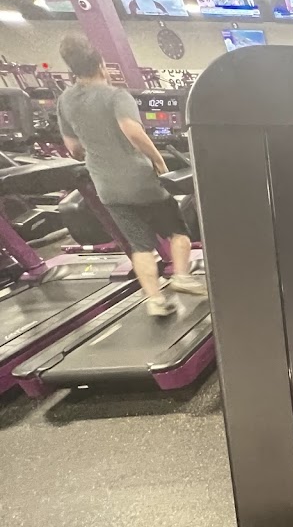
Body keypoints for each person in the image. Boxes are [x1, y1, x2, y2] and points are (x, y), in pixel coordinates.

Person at [56, 34, 205, 317]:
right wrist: (158, 160)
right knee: (178, 231)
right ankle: (182, 277)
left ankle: (155, 299)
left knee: (140, 245)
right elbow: (133, 132)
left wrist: (96, 152)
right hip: (139, 181)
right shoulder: (116, 96)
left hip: (106, 186)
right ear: (101, 65)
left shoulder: (65, 100)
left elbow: (73, 148)